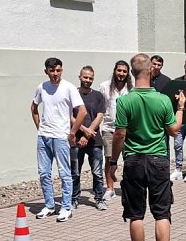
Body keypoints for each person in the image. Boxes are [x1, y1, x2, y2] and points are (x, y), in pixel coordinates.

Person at [109, 53, 186, 241]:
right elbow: (173, 131)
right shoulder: (162, 100)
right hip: (158, 160)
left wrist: (113, 162)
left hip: (133, 161)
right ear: (151, 71)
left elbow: (119, 135)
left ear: (132, 74)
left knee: (136, 214)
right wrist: (180, 107)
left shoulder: (124, 101)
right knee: (161, 212)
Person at [30, 57, 86, 223]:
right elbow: (33, 107)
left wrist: (73, 132)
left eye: (58, 70)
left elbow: (82, 111)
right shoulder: (42, 87)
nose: (55, 74)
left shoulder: (68, 88)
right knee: (44, 173)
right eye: (52, 70)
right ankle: (49, 205)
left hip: (61, 137)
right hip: (44, 136)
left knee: (64, 173)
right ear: (46, 71)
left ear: (62, 70)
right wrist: (39, 127)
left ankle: (66, 207)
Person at [71, 66, 107, 210]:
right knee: (75, 172)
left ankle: (99, 198)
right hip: (75, 140)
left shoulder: (98, 95)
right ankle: (74, 199)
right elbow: (70, 116)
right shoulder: (73, 93)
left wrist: (88, 133)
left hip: (94, 141)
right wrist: (84, 130)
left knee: (97, 172)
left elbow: (100, 116)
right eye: (85, 77)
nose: (88, 80)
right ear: (79, 77)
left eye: (90, 78)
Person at [99, 60, 133, 201]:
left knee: (129, 160)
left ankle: (128, 188)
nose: (121, 74)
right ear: (114, 71)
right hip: (109, 128)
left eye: (124, 71)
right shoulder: (104, 87)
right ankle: (110, 188)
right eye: (119, 70)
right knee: (108, 158)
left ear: (128, 73)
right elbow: (101, 108)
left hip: (127, 130)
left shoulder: (132, 89)